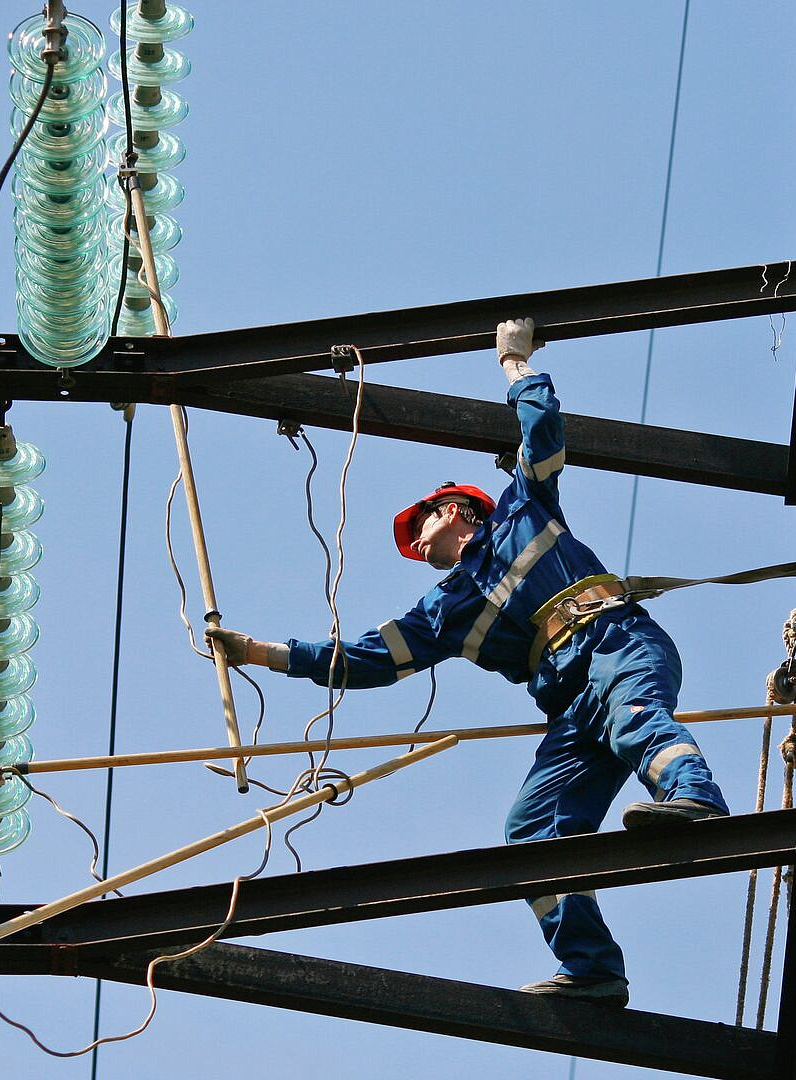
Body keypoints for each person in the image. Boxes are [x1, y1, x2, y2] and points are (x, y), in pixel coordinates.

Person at [208, 318, 728, 1007]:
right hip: (571, 705)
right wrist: (262, 654)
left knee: (634, 718)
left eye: (419, 525)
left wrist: (513, 362)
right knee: (531, 832)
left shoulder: (524, 511)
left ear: (454, 510)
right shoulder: (445, 611)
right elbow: (364, 659)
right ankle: (594, 968)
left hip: (614, 644)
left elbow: (542, 429)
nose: (414, 542)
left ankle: (696, 798)